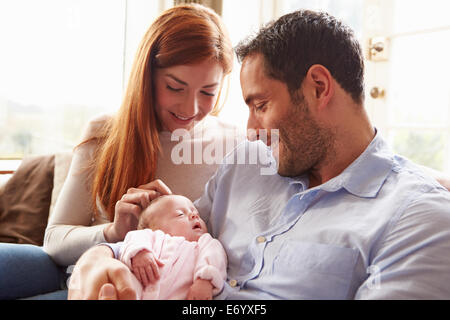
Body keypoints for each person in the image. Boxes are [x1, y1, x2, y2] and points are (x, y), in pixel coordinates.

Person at [69, 9, 450, 300]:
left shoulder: (419, 220)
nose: (250, 130)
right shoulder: (242, 169)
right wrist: (99, 257)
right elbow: (169, 234)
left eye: (261, 105)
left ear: (318, 87)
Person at [0, 4, 237, 300]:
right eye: (175, 87)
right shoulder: (105, 132)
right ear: (147, 76)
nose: (190, 109)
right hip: (74, 271)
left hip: (143, 288)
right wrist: (113, 232)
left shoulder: (233, 145)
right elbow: (54, 240)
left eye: (208, 92)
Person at [112, 194, 227, 300]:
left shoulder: (205, 243)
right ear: (154, 228)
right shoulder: (152, 237)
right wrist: (140, 253)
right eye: (180, 214)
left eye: (197, 213)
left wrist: (204, 280)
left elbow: (214, 257)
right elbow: (133, 238)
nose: (194, 215)